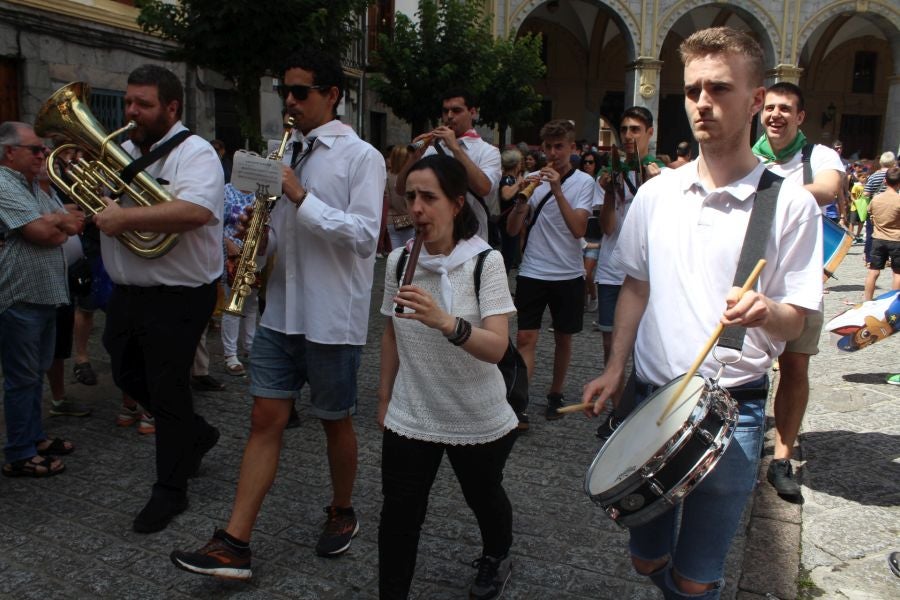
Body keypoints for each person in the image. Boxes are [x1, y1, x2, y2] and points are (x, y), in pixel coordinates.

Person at [581, 27, 821, 599]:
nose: (702, 104)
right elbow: (635, 286)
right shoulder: (657, 194)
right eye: (692, 91)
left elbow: (795, 322)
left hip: (733, 408)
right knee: (648, 561)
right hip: (651, 401)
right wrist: (616, 367)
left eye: (719, 88)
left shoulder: (788, 203)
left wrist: (765, 311)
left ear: (756, 100)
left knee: (695, 579)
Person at [170, 48, 385, 579]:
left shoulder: (363, 158)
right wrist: (254, 240)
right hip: (279, 311)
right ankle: (234, 542)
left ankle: (342, 508)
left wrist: (299, 193)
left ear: (332, 95)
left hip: (333, 316)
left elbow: (364, 238)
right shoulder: (280, 151)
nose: (289, 101)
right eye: (284, 91)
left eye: (301, 92)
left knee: (335, 420)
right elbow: (275, 236)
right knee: (264, 419)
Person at [377, 154, 518, 600]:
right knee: (399, 516)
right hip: (411, 412)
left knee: (483, 496)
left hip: (476, 414)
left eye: (429, 198)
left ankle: (498, 554)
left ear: (457, 204)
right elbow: (390, 334)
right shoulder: (400, 262)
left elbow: (496, 347)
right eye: (411, 196)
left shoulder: (484, 262)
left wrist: (445, 322)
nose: (416, 208)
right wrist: (384, 400)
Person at [92, 65, 225, 533]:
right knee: (125, 369)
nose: (131, 111)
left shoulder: (196, 152)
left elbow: (197, 210)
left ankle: (170, 490)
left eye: (143, 104)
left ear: (172, 107)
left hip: (181, 294)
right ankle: (195, 433)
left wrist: (123, 220)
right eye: (129, 101)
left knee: (168, 387)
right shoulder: (120, 150)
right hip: (129, 290)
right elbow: (100, 203)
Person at [751, 81, 844, 499]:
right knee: (739, 367)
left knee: (795, 369)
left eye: (785, 108)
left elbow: (827, 189)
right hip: (750, 275)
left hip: (800, 282)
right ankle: (740, 442)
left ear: (800, 117)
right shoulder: (749, 156)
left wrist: (768, 195)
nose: (776, 115)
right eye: (770, 107)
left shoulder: (818, 155)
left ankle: (783, 458)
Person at [1, 121, 84, 477]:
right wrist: (57, 223)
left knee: (34, 374)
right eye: (35, 149)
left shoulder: (32, 185)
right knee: (21, 378)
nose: (44, 153)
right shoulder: (3, 183)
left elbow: (71, 223)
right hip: (19, 297)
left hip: (44, 295)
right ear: (9, 153)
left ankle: (33, 437)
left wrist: (57, 223)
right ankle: (19, 452)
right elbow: (42, 232)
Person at [505, 119, 596, 419]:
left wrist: (557, 189)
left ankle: (555, 393)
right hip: (533, 269)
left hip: (568, 273)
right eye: (549, 147)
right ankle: (519, 404)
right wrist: (520, 203)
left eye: (560, 147)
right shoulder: (533, 178)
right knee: (524, 339)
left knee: (563, 338)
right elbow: (512, 229)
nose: (554, 153)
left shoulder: (584, 183)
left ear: (572, 149)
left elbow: (578, 228)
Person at [593, 106, 665, 424]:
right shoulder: (610, 173)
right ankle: (618, 412)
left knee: (648, 344)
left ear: (650, 132)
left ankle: (644, 412)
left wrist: (654, 185)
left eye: (636, 129)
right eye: (624, 129)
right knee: (613, 344)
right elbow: (607, 228)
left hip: (649, 276)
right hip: (612, 270)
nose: (628, 135)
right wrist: (609, 193)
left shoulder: (663, 174)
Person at [399, 89, 501, 244]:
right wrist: (413, 158)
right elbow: (400, 189)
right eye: (445, 111)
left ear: (472, 112)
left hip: (471, 240)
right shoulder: (431, 149)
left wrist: (455, 149)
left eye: (456, 110)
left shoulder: (488, 151)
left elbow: (484, 188)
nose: (450, 116)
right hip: (430, 240)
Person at [221, 183, 262, 376]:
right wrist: (227, 242)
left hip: (254, 255)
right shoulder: (226, 190)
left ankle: (250, 346)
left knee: (251, 302)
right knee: (233, 304)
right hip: (232, 255)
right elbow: (215, 222)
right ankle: (230, 354)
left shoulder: (260, 193)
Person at [863, 166, 900, 301]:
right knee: (897, 273)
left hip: (878, 238)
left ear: (885, 181)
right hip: (896, 239)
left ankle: (867, 301)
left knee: (873, 271)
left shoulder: (876, 199)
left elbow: (871, 215)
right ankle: (893, 303)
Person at [497, 148, 524, 273]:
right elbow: (506, 195)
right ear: (516, 165)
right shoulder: (508, 179)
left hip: (511, 222)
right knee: (507, 256)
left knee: (509, 255)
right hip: (506, 223)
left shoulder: (511, 179)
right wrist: (518, 184)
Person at [385, 145, 414, 251]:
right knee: (409, 251)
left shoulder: (386, 175)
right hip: (406, 218)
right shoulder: (407, 177)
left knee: (395, 251)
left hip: (391, 219)